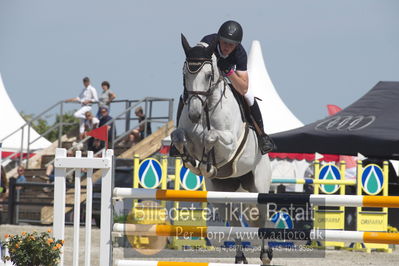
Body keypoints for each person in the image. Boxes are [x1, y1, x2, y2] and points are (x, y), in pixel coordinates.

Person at [172, 20, 275, 155]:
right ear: (219, 39)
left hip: (225, 79)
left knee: (249, 95)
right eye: (225, 42)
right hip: (205, 80)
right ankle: (178, 134)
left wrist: (229, 72)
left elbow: (243, 87)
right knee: (185, 95)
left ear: (236, 45)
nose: (227, 47)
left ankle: (262, 135)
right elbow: (196, 62)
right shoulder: (208, 41)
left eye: (231, 45)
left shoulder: (240, 53)